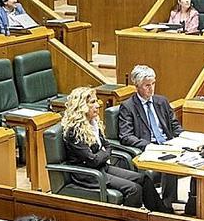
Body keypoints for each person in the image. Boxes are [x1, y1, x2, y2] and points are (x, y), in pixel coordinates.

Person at [63, 86, 170, 212]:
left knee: (144, 178)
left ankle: (162, 215)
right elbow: (93, 160)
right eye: (92, 102)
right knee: (134, 189)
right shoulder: (74, 132)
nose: (97, 105)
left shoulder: (93, 124)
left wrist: (103, 153)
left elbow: (107, 146)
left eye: (96, 101)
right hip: (88, 174)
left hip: (102, 168)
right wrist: (104, 153)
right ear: (80, 106)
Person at [118, 65, 189, 212]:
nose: (151, 89)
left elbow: (174, 125)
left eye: (153, 84)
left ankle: (193, 202)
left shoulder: (161, 101)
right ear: (137, 86)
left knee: (201, 160)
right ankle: (166, 207)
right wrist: (148, 146)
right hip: (149, 148)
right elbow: (126, 136)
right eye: (147, 85)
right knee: (170, 164)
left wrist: (184, 138)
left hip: (168, 144)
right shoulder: (128, 107)